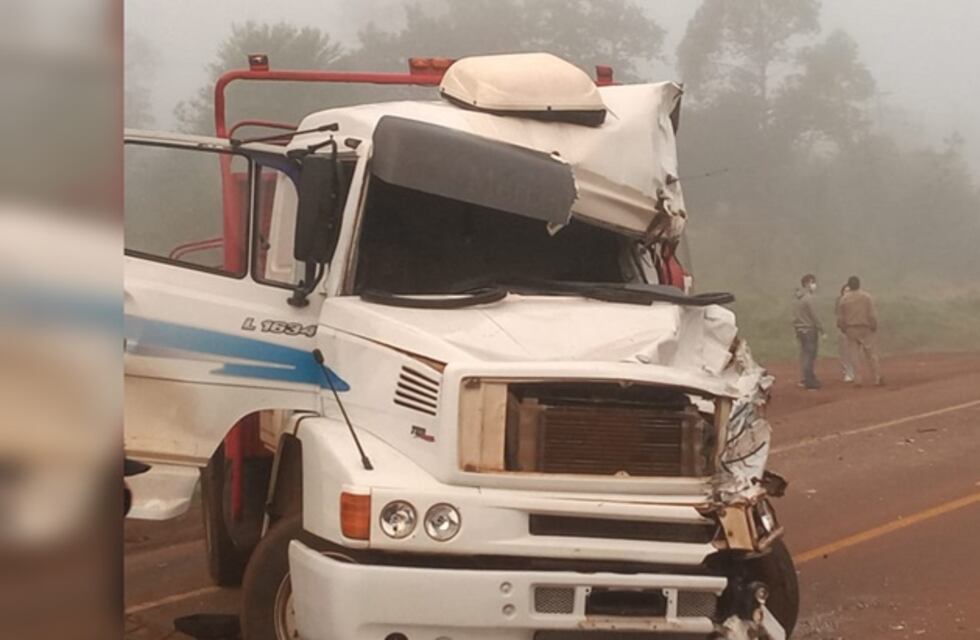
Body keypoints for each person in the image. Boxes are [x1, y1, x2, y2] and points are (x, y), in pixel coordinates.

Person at [836, 275, 882, 386]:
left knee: (854, 356)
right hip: (865, 328)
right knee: (871, 354)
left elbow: (840, 317)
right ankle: (877, 378)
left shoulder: (844, 299)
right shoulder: (866, 297)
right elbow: (871, 314)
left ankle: (858, 379)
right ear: (859, 284)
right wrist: (874, 326)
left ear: (849, 286)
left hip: (851, 329)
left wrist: (843, 328)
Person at [792, 274, 823, 390]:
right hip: (809, 329)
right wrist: (821, 329)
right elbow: (814, 315)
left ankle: (807, 378)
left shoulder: (798, 299)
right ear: (807, 283)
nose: (814, 285)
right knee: (810, 355)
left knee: (805, 354)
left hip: (800, 330)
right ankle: (810, 381)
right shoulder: (809, 298)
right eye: (812, 282)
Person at [835, 283, 856, 383]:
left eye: (849, 291)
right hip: (843, 330)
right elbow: (838, 316)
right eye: (845, 291)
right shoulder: (839, 302)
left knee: (852, 352)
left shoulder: (854, 301)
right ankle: (847, 372)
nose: (847, 293)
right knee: (844, 353)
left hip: (852, 329)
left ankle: (851, 372)